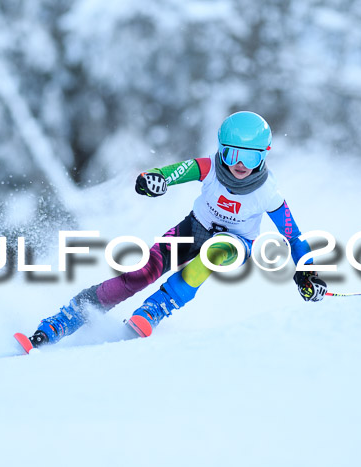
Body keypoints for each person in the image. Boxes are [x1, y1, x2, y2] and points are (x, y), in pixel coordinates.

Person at [27, 111, 327, 347]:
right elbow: (171, 172)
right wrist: (152, 180)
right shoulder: (210, 168)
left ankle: (155, 309)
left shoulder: (267, 193)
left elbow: (294, 237)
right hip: (193, 228)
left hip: (235, 244)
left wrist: (306, 273)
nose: (240, 165)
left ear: (264, 155)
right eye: (233, 154)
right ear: (221, 149)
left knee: (214, 252)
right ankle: (65, 319)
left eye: (251, 157)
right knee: (140, 275)